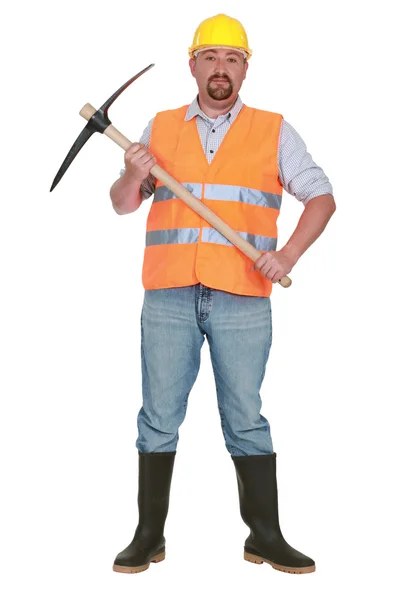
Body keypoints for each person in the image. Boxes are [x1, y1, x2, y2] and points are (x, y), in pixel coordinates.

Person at [109, 13, 336, 575]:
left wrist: (287, 255)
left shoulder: (273, 129)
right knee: (158, 417)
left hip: (243, 295)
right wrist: (134, 173)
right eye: (210, 57)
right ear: (193, 65)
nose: (220, 69)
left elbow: (321, 196)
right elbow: (121, 204)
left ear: (245, 68)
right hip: (168, 294)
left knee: (246, 417)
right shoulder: (158, 127)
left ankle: (265, 536)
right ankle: (147, 537)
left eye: (232, 59)